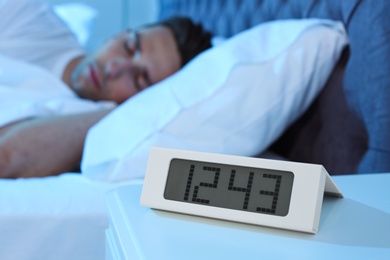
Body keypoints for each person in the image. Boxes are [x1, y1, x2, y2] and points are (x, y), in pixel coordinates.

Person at [0, 0, 212, 178]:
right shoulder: (28, 19)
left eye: (139, 79)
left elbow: (6, 158)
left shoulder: (82, 120)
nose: (114, 68)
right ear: (119, 34)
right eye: (129, 47)